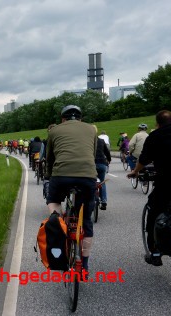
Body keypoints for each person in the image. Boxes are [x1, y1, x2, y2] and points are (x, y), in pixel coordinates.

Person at [127, 111, 171, 266]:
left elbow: (144, 159)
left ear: (157, 123)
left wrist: (135, 172)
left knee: (155, 209)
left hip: (166, 180)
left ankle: (156, 252)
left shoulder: (155, 136)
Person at [45, 105, 97, 272]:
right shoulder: (91, 129)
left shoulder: (54, 130)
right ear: (80, 118)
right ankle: (85, 264)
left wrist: (48, 175)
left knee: (53, 199)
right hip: (87, 175)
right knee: (86, 220)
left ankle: (57, 222)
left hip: (61, 175)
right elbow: (93, 154)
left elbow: (50, 157)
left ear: (63, 119)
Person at [94, 126, 111, 210]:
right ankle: (104, 200)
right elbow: (107, 152)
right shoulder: (101, 141)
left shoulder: (87, 141)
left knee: (89, 181)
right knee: (102, 181)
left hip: (91, 165)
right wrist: (109, 160)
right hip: (101, 163)